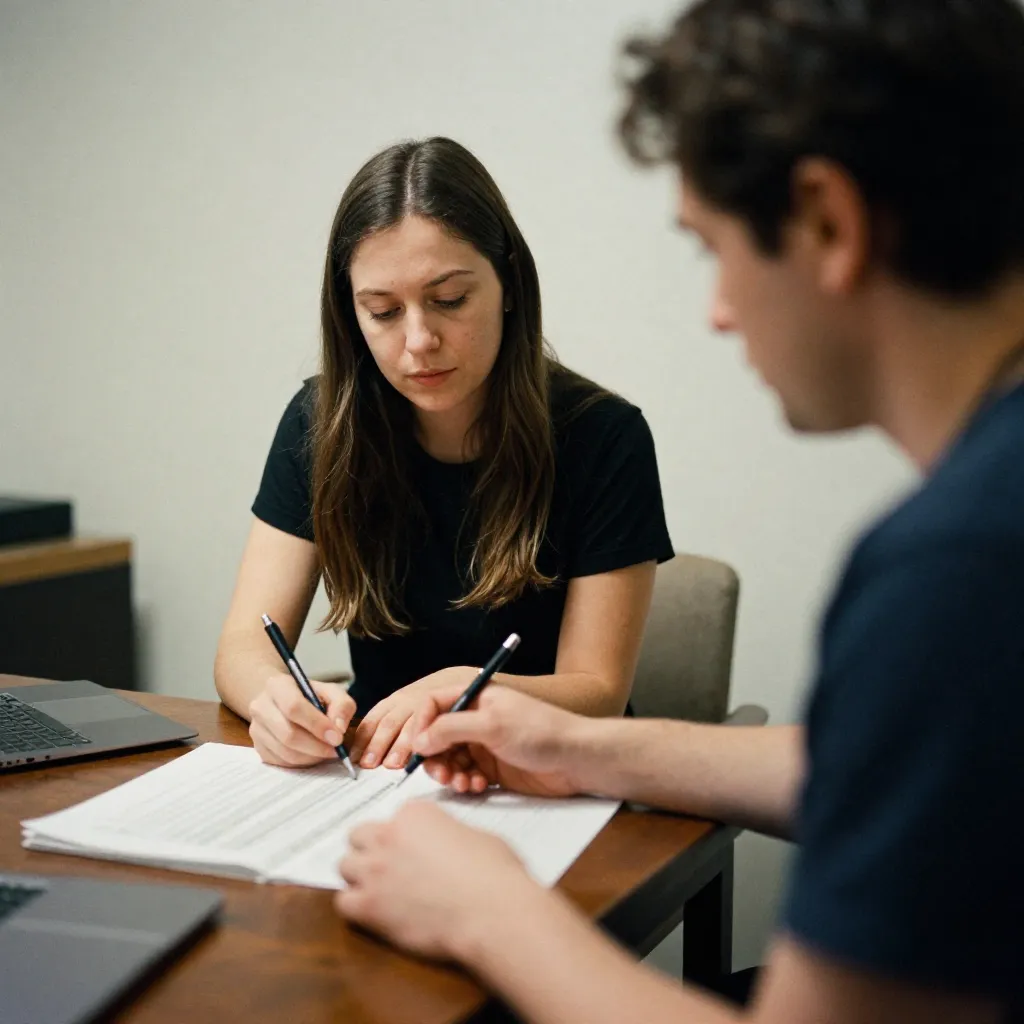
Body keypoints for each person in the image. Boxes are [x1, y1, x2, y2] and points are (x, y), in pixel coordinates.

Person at [333, 2, 1024, 1022]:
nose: (718, 309)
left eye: (713, 248)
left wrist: (487, 909)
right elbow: (878, 764)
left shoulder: (958, 568)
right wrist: (580, 747)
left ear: (828, 223)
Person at [214, 137, 674, 772]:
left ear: (508, 284)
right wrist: (274, 699)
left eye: (450, 300)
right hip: (377, 775)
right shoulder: (320, 425)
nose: (419, 341)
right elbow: (244, 644)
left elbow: (597, 691)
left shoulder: (604, 436)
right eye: (381, 311)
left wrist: (465, 690)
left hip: (547, 777)